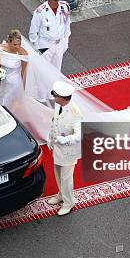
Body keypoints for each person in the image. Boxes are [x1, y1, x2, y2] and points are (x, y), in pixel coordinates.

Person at [29, 0, 71, 102]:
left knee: (55, 71)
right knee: (43, 73)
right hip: (45, 45)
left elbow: (67, 25)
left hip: (59, 44)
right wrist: (38, 48)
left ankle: (52, 94)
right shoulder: (40, 12)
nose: (56, 2)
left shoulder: (64, 7)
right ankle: (42, 97)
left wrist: (65, 42)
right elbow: (33, 33)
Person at [46, 81, 82, 216]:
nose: (54, 97)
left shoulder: (75, 112)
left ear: (62, 97)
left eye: (55, 95)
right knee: (58, 173)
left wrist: (64, 139)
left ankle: (69, 203)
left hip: (68, 151)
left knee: (67, 179)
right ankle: (61, 195)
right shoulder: (58, 105)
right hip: (57, 147)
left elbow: (79, 135)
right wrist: (50, 138)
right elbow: (54, 122)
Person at [0, 29, 29, 107]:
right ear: (9, 41)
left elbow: (24, 71)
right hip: (2, 80)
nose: (18, 47)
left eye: (19, 44)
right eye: (15, 44)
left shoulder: (23, 53)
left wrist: (22, 87)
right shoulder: (0, 49)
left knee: (7, 103)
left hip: (14, 82)